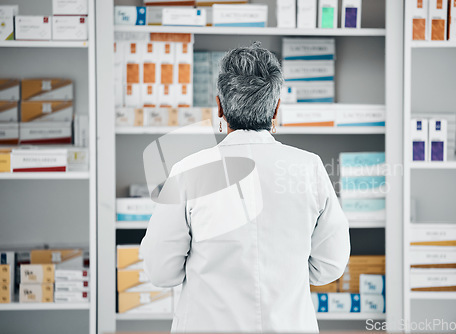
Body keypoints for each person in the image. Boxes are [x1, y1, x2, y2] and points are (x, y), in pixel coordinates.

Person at [140, 42, 350, 333]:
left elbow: (160, 271)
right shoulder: (309, 167)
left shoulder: (188, 171)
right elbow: (329, 265)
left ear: (219, 107)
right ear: (276, 108)